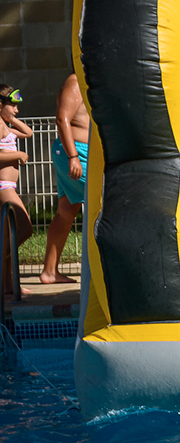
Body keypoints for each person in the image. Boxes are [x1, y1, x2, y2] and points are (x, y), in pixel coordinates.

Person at [38, 74, 89, 285]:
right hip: (76, 152)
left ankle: (50, 272)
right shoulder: (75, 81)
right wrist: (73, 157)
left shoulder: (90, 80)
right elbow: (62, 118)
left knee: (66, 211)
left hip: (78, 152)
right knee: (106, 200)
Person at [0, 85, 33, 297]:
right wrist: (17, 155)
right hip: (3, 187)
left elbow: (28, 133)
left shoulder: (5, 125)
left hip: (10, 186)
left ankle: (9, 285)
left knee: (9, 235)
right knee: (24, 229)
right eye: (12, 105)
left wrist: (10, 118)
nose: (16, 110)